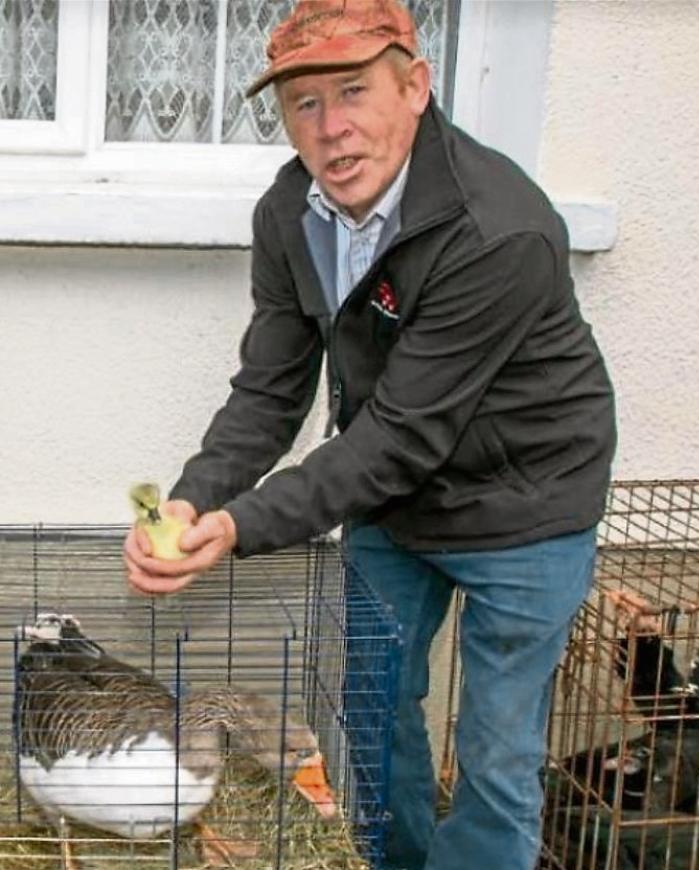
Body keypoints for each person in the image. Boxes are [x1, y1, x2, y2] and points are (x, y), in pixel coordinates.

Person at [124, 1, 616, 868]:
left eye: (354, 91)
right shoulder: (291, 213)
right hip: (394, 501)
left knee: (497, 757)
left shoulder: (497, 229)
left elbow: (398, 436)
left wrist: (239, 528)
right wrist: (195, 498)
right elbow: (270, 390)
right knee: (371, 709)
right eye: (305, 104)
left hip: (527, 508)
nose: (331, 128)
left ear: (416, 87)